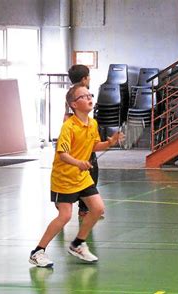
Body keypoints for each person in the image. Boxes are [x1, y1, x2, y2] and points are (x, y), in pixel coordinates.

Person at [29, 83, 124, 268]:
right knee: (64, 216)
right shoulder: (69, 127)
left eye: (90, 95)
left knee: (97, 209)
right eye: (83, 96)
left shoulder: (92, 123)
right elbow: (62, 154)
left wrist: (109, 142)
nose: (89, 98)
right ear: (73, 104)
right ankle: (37, 252)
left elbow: (94, 145)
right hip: (64, 178)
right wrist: (79, 163)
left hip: (82, 177)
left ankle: (78, 243)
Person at [67, 64, 97, 218]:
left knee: (90, 175)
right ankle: (78, 208)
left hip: (86, 141)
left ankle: (84, 208)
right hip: (79, 146)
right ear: (84, 79)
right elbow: (67, 119)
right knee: (82, 176)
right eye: (88, 76)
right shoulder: (75, 96)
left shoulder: (79, 94)